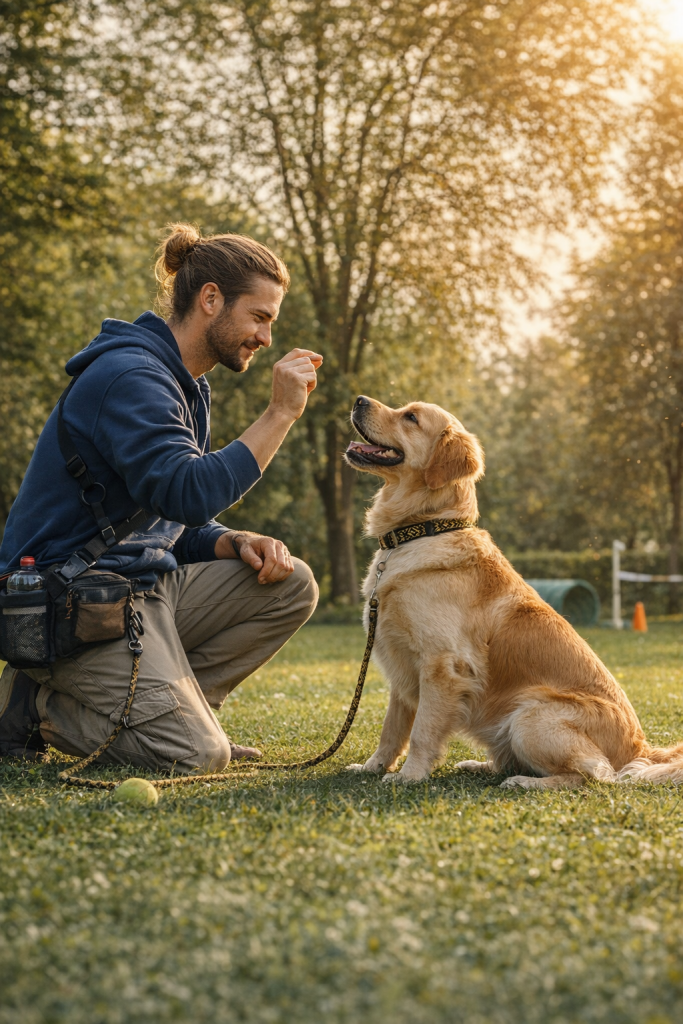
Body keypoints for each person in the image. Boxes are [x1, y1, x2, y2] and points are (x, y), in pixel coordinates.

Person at [0, 223, 321, 771]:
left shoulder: (185, 385)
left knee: (289, 584)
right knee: (195, 757)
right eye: (260, 317)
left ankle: (191, 710)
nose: (266, 337)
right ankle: (34, 705)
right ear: (211, 299)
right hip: (72, 603)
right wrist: (280, 414)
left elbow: (165, 516)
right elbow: (189, 492)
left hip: (140, 591)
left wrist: (233, 540)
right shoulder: (131, 376)